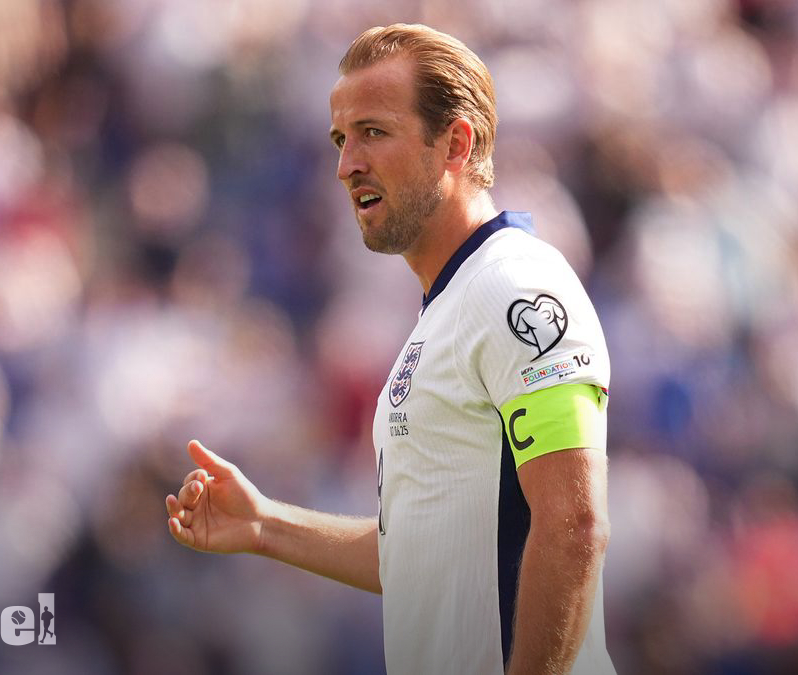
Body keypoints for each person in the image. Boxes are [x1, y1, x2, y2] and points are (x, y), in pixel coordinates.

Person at [165, 23, 616, 675]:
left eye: (373, 132)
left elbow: (574, 524)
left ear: (455, 143)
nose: (346, 164)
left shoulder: (514, 285)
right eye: (340, 139)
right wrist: (266, 525)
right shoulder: (450, 306)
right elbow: (424, 555)